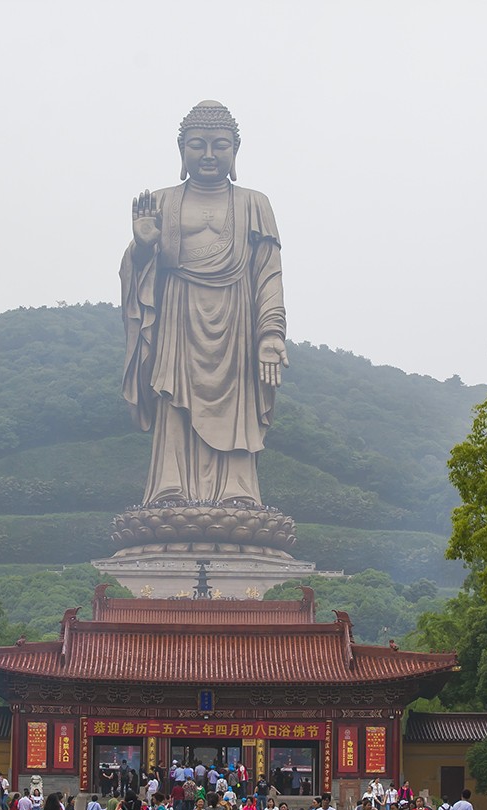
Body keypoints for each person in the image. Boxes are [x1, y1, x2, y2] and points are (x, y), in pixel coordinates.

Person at [122, 100, 289, 507]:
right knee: (173, 399)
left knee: (235, 405)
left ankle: (237, 491)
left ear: (236, 151)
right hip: (178, 315)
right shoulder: (161, 201)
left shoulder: (255, 203)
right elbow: (137, 272)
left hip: (237, 319)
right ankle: (169, 488)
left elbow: (268, 272)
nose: (210, 155)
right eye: (198, 145)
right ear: (182, 151)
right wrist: (143, 248)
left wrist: (271, 333)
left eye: (220, 145)